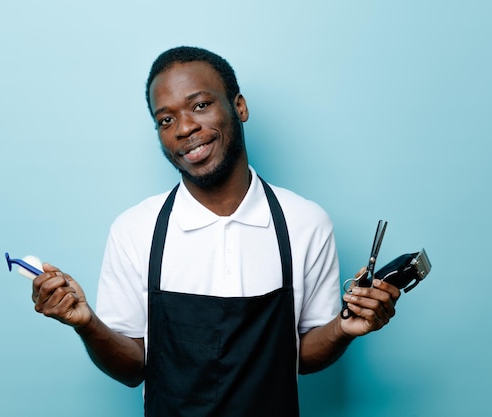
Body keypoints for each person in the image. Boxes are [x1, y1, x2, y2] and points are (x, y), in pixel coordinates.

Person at [31, 46, 400, 417]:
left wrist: (344, 327)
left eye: (201, 105)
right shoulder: (134, 229)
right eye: (166, 120)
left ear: (239, 106)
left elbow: (302, 355)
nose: (185, 128)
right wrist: (86, 323)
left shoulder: (305, 222)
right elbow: (132, 368)